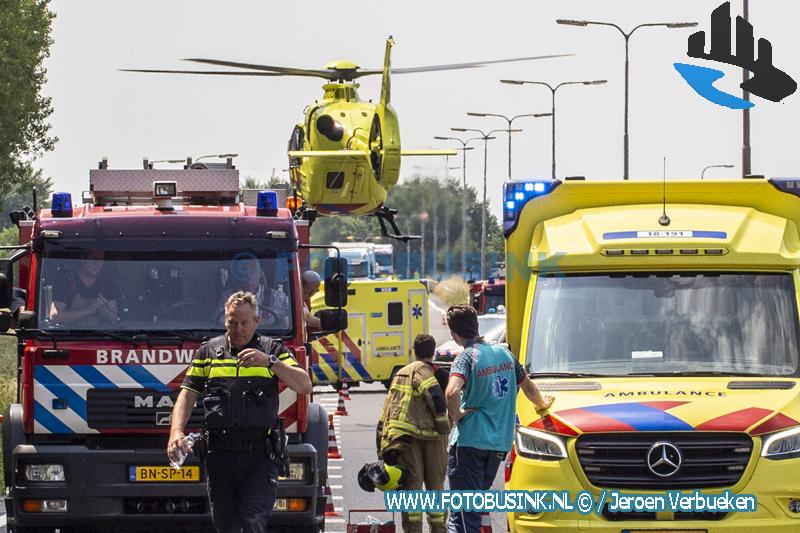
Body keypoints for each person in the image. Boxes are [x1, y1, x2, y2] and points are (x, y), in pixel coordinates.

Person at [168, 291, 312, 533]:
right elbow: (188, 393)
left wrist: (270, 362)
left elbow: (304, 384)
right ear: (225, 320)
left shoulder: (271, 349)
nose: (238, 328)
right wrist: (176, 432)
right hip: (219, 456)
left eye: (244, 322)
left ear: (256, 321)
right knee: (227, 526)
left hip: (259, 457)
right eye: (232, 322)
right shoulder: (208, 353)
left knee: (250, 523)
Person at [444, 304, 554, 533]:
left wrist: (457, 416)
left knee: (464, 515)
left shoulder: (466, 357)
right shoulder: (505, 353)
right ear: (476, 326)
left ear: (455, 334)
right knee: (473, 506)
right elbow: (529, 387)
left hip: (469, 443)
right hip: (498, 444)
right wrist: (543, 405)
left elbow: (452, 392)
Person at [376, 333, 451, 533]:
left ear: (413, 351)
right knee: (436, 487)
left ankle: (413, 529)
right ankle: (438, 529)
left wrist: (381, 442)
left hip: (406, 440)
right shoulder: (426, 371)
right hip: (434, 438)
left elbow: (387, 408)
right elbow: (435, 396)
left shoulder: (401, 373)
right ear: (433, 352)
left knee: (412, 488)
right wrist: (445, 426)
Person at [217, 256, 290, 329]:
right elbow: (219, 319)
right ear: (238, 275)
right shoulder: (228, 296)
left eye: (253, 270)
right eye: (244, 271)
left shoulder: (276, 297)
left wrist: (283, 323)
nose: (249, 275)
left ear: (260, 274)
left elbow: (296, 313)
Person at [49, 250, 118, 326]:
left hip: (102, 335)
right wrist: (88, 310)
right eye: (93, 259)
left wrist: (102, 309)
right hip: (70, 335)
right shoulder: (67, 282)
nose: (97, 263)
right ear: (83, 259)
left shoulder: (106, 284)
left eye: (100, 259)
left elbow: (114, 319)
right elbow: (55, 317)